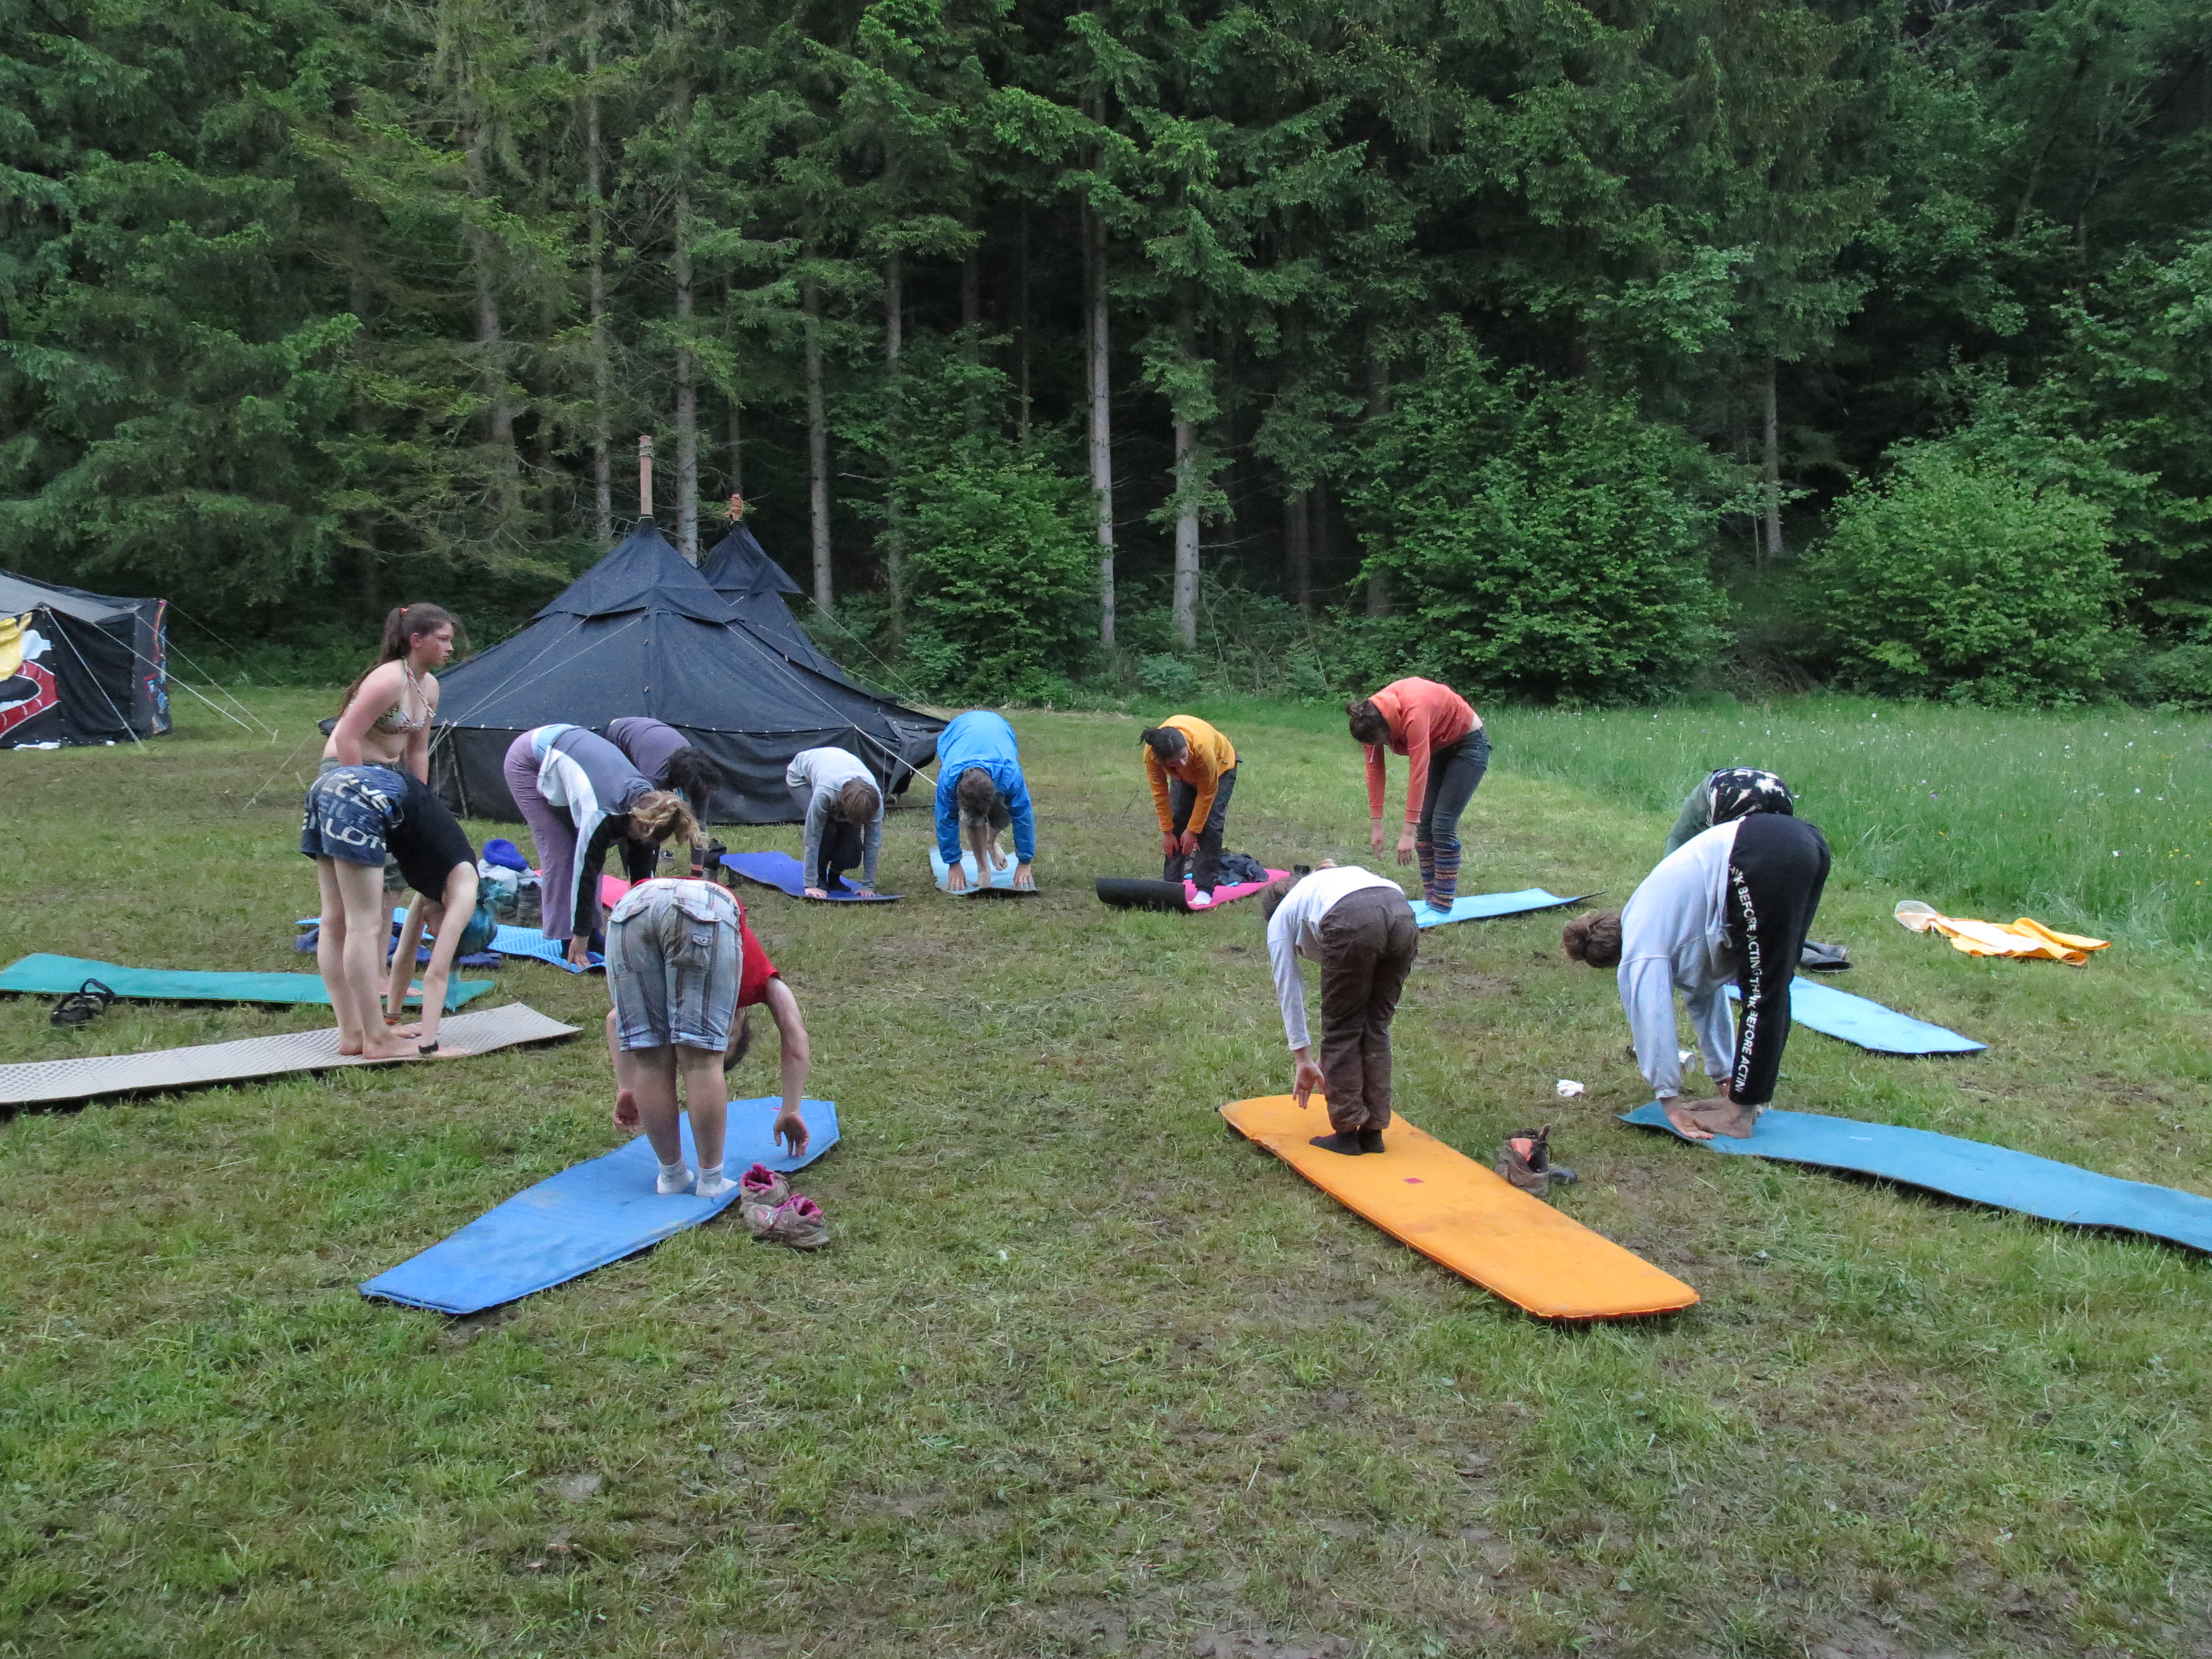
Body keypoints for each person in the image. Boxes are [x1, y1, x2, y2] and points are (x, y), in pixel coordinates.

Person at [1562, 804, 1832, 1141]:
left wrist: (1670, 1101)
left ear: (1614, 957)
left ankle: (1737, 1117)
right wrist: (1726, 1078)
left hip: (1755, 853)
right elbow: (1704, 994)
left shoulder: (1641, 945)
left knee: (1764, 991)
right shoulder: (1662, 918)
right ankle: (1739, 1101)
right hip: (1804, 840)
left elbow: (1651, 1018)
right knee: (1772, 984)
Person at [604, 877, 811, 1198]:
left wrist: (627, 1087)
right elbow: (795, 1037)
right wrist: (792, 1108)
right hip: (701, 905)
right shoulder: (765, 984)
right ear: (740, 1018)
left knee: (651, 1058)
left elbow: (615, 1019)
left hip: (631, 907)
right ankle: (711, 1180)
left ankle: (671, 1176)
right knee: (701, 1063)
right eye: (727, 1041)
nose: (717, 1037)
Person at [301, 764, 482, 1060]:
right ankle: (376, 1040)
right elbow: (436, 975)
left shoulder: (437, 889)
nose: (437, 936)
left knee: (335, 921)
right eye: (450, 935)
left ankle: (354, 1034)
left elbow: (403, 958)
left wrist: (394, 1019)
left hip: (331, 785)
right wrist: (429, 1047)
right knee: (363, 925)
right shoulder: (465, 891)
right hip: (365, 793)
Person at [503, 724, 701, 967]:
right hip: (529, 759)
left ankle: (594, 934)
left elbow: (641, 876)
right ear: (637, 821)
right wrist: (580, 936)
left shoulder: (649, 804)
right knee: (564, 852)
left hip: (575, 748)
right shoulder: (601, 810)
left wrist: (645, 929)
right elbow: (586, 868)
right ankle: (568, 939)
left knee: (597, 851)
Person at [1261, 864, 1420, 1156]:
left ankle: (1347, 1133)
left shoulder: (1281, 918)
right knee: (1376, 1026)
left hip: (1353, 918)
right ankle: (1373, 1133)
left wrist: (1303, 1059)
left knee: (1342, 1030)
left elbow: (1288, 989)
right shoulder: (1323, 886)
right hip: (1403, 913)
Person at [1665, 768, 1846, 971]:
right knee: (1760, 883)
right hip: (1776, 789)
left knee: (1712, 884)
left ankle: (1770, 947)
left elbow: (1678, 884)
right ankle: (1784, 947)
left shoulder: (1688, 833)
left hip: (1729, 793)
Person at [1347, 678, 1489, 914]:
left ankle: (1442, 902)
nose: (1385, 746)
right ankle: (1432, 899)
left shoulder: (1414, 712)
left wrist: (1407, 834)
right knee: (1425, 826)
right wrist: (1377, 826)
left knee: (1442, 824)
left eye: (1384, 741)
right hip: (1439, 746)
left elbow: (1418, 772)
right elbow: (1374, 771)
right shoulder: (1369, 717)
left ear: (1388, 727)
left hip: (1468, 744)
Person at [322, 604, 462, 782]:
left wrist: (421, 793)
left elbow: (417, 751)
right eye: (443, 639)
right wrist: (361, 787)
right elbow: (346, 738)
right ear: (416, 640)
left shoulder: (430, 685)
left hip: (390, 772)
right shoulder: (390, 680)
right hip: (348, 767)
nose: (450, 648)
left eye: (450, 641)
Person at [932, 709, 1035, 893]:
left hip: (999, 729)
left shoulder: (1009, 774)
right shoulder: (948, 778)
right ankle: (983, 869)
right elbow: (945, 819)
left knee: (1003, 812)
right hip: (956, 733)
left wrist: (1025, 862)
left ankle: (990, 842)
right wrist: (953, 864)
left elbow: (1023, 816)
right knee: (973, 819)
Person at [1141, 716, 1238, 905]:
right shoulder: (1152, 757)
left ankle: (1205, 888)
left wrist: (1193, 831)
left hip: (1220, 768)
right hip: (1183, 778)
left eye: (1184, 757)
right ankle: (1171, 885)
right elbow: (1160, 793)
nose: (1182, 764)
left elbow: (1207, 793)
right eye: (1175, 763)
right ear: (1162, 761)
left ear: (1186, 745)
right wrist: (1167, 832)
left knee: (1210, 825)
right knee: (1178, 820)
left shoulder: (1202, 748)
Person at [605, 716, 725, 862]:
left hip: (649, 733)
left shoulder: (701, 779)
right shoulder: (654, 778)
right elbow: (639, 821)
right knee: (631, 820)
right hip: (615, 735)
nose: (701, 796)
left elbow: (699, 826)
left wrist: (697, 871)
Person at [787, 745, 883, 898]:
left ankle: (834, 876)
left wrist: (868, 885)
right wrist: (810, 884)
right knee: (828, 830)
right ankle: (819, 876)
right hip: (801, 777)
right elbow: (813, 837)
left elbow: (873, 843)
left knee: (851, 838)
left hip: (836, 767)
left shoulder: (875, 801)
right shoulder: (825, 792)